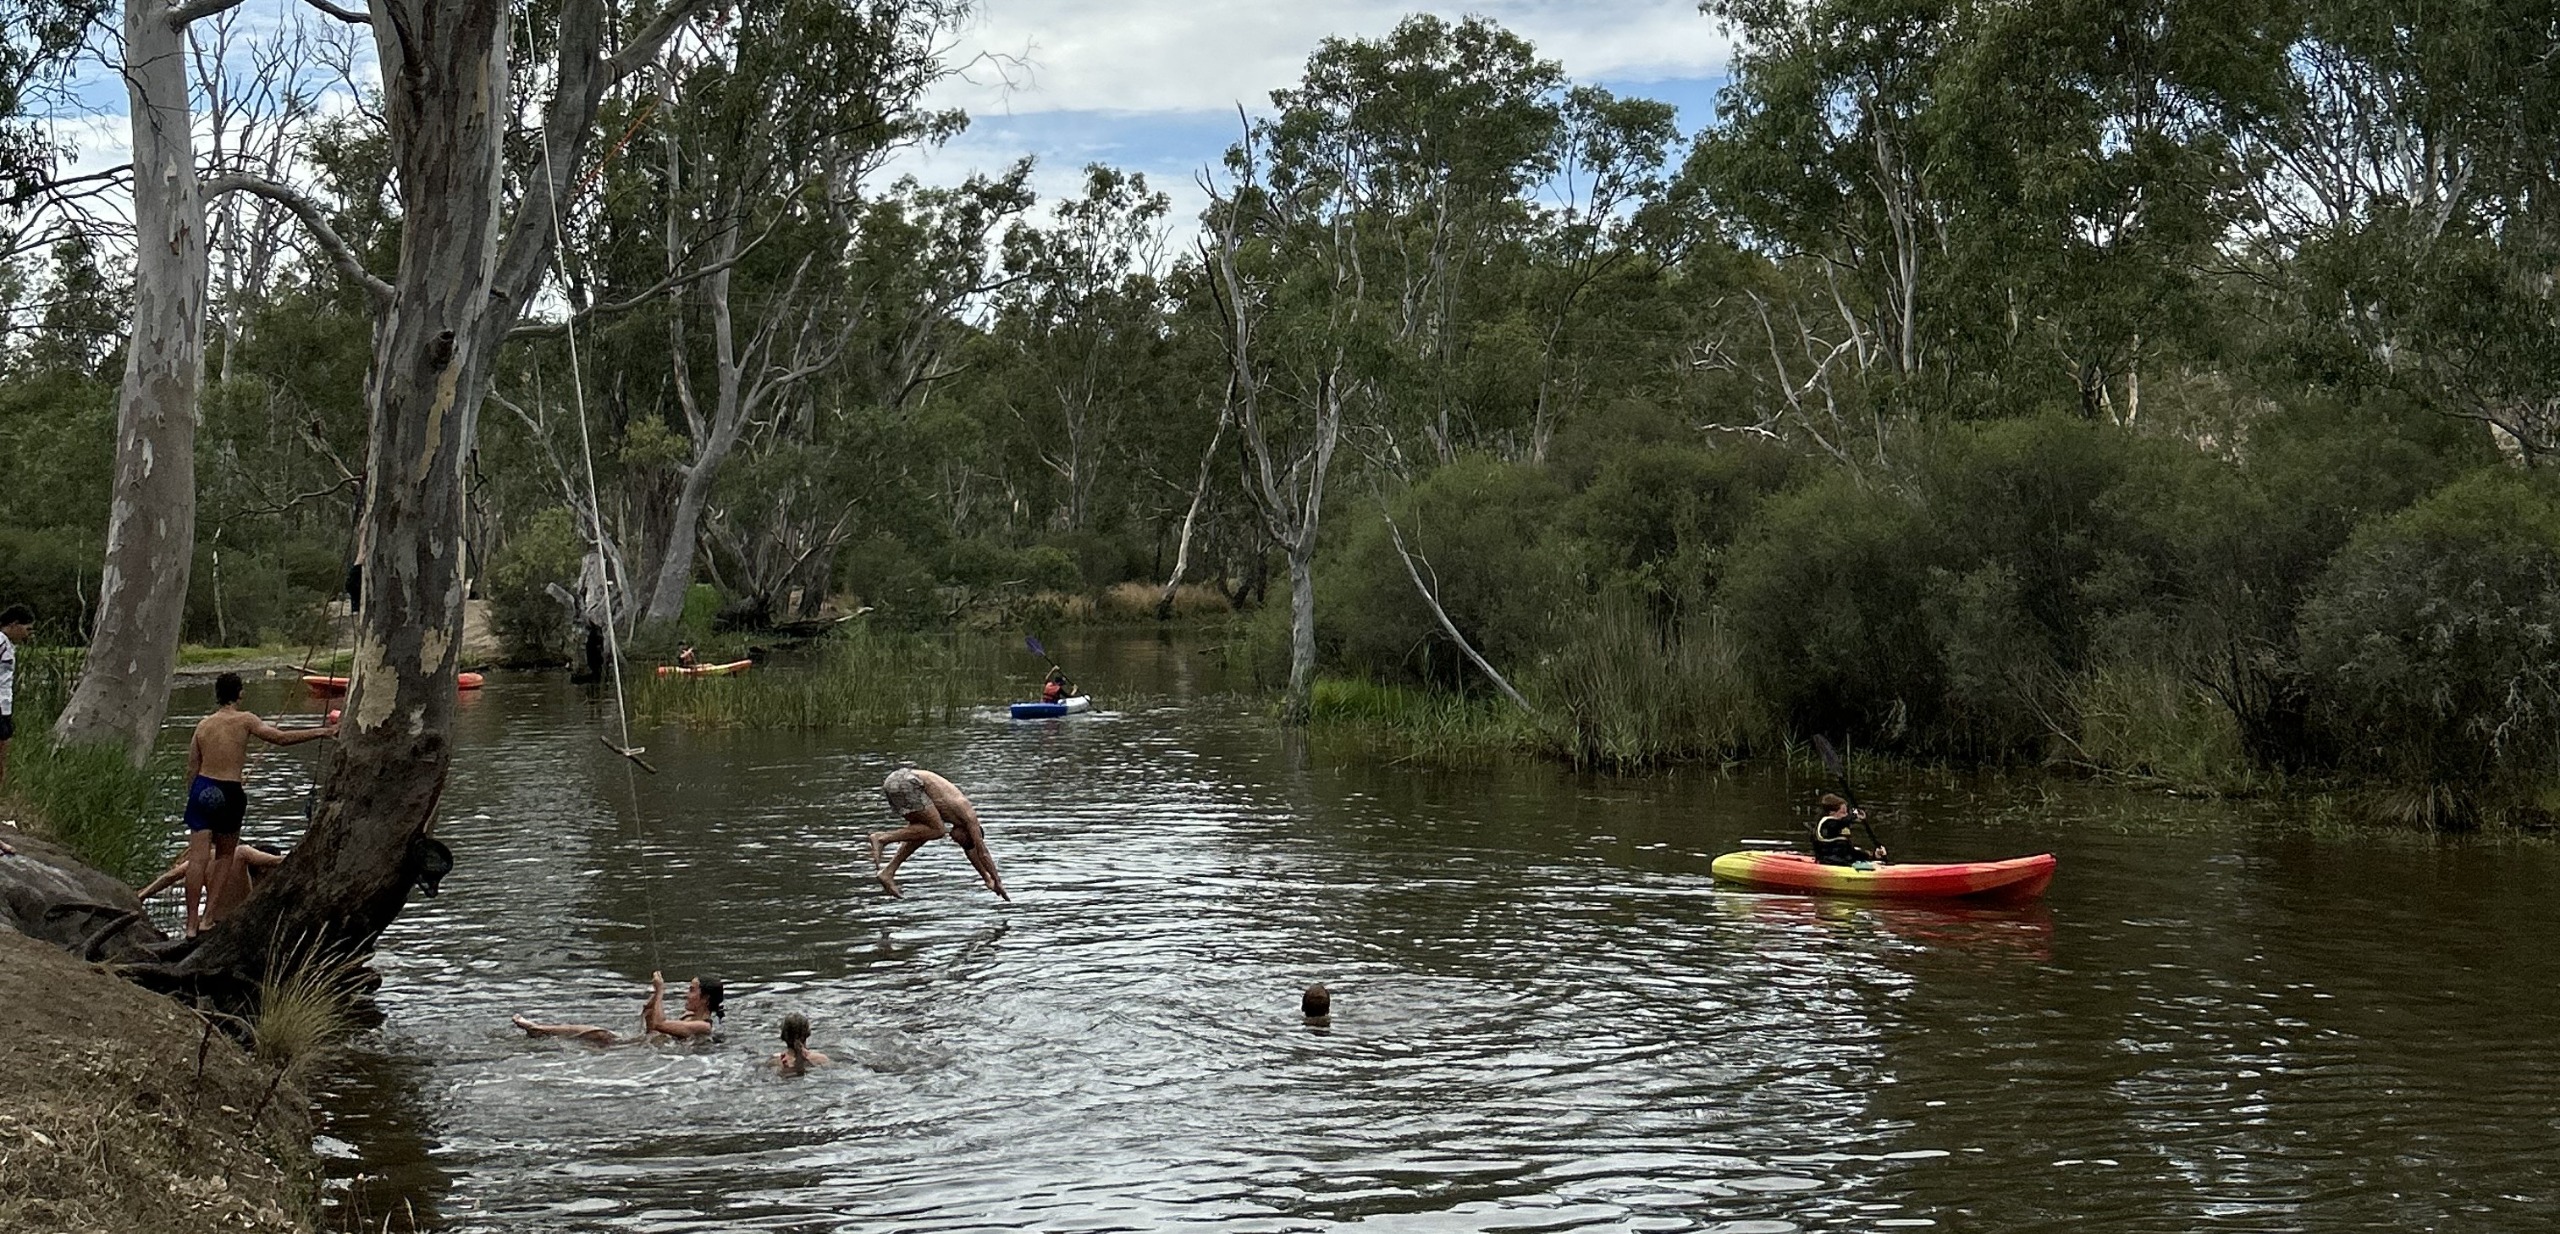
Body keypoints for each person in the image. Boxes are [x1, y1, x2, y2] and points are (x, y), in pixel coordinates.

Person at [183, 673, 337, 934]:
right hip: (229, 789)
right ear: (240, 694)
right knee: (224, 856)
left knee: (197, 861)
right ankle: (208, 918)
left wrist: (194, 797)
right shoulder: (246, 720)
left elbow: (192, 766)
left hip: (202, 789)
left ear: (217, 695)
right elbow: (280, 738)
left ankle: (190, 925)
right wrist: (322, 731)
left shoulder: (203, 725)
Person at [869, 764, 1008, 900]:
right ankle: (882, 838)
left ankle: (888, 872)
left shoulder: (956, 819)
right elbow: (982, 852)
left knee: (922, 832)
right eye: (962, 841)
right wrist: (998, 881)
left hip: (895, 781)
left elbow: (971, 852)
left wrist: (987, 878)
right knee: (938, 830)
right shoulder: (969, 817)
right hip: (907, 781)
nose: (955, 841)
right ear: (967, 832)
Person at [513, 971, 725, 1044]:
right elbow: (653, 1027)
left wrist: (660, 992)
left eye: (692, 990)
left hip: (639, 1052)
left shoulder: (703, 1027)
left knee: (597, 1034)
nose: (687, 994)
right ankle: (540, 1030)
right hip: (643, 1046)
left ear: (705, 998)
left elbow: (660, 1025)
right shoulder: (687, 1016)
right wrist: (653, 1000)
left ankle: (539, 1030)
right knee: (595, 1033)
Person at [0, 603, 29, 797]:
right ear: (15, 624)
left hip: (4, 708)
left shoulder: (8, 645)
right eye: (27, 629)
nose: (28, 634)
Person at [1811, 793, 1883, 866]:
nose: (1846, 815)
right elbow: (1839, 823)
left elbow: (1850, 850)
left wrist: (1873, 856)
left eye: (1846, 813)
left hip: (1844, 859)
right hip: (1828, 861)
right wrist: (1855, 816)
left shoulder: (1840, 828)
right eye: (1843, 812)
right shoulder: (1826, 823)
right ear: (1831, 813)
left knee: (1856, 851)